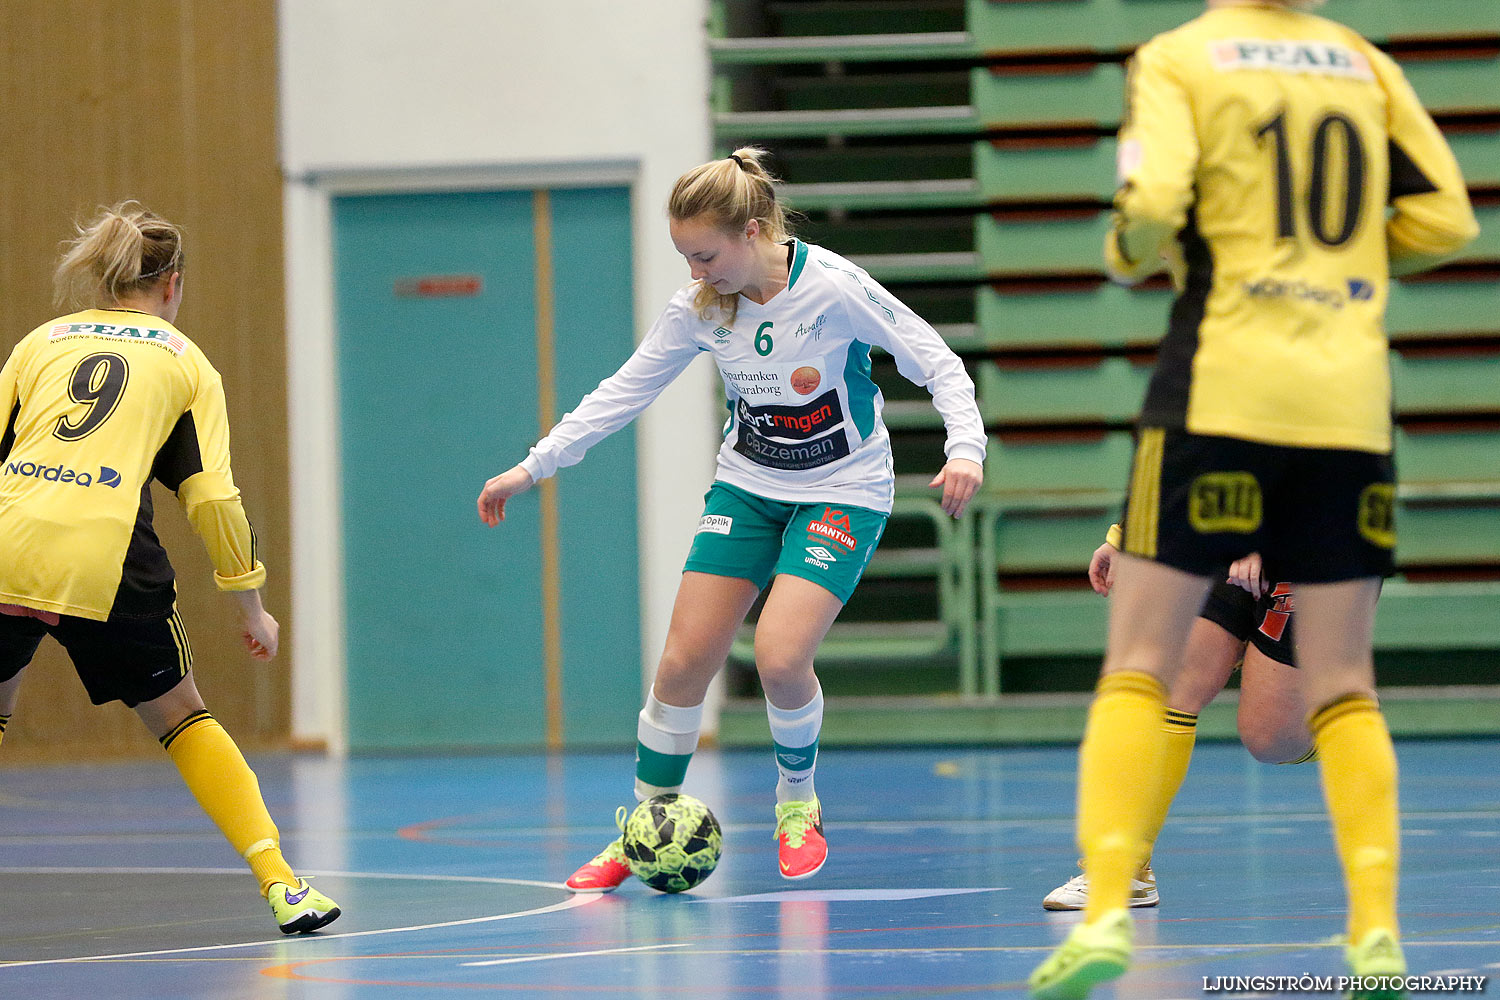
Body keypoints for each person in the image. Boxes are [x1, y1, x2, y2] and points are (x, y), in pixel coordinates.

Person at [1027, 0, 1477, 996]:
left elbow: (1148, 214)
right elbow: (1447, 218)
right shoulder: (1364, 61)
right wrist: (1338, 265)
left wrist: (1127, 251)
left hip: (1223, 384)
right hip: (1348, 404)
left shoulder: (1180, 57)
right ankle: (1374, 936)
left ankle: (1105, 914)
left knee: (1136, 671)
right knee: (1345, 687)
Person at [477, 147, 985, 889]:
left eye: (705, 255)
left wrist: (965, 447)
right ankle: (642, 827)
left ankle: (797, 801)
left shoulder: (835, 288)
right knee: (684, 662)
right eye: (684, 256)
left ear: (752, 232)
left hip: (842, 489)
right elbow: (622, 391)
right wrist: (533, 465)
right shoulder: (698, 310)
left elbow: (937, 360)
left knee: (780, 657)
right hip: (748, 486)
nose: (695, 272)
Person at [0, 202, 341, 934]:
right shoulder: (184, 363)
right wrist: (250, 606)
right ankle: (282, 885)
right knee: (182, 716)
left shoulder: (42, 342)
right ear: (173, 285)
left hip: (6, 545)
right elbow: (212, 495)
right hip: (105, 559)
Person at [1043, 535, 1310, 911]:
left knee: (1269, 738)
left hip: (1312, 537)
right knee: (1176, 681)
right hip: (1232, 532)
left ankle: (1349, 723)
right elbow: (1180, 472)